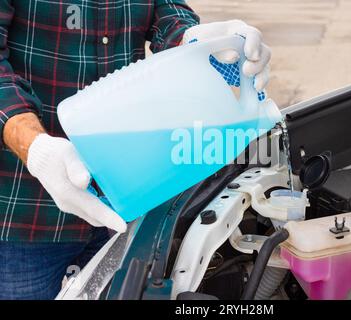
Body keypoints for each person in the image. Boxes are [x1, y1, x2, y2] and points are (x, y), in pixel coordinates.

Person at [0, 0, 271, 299]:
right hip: (28, 215)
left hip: (127, 201)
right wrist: (34, 147)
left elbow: (165, 12)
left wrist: (194, 39)